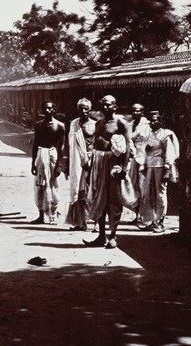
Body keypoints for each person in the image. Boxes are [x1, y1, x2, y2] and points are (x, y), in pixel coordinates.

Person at [84, 95, 132, 249]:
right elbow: (95, 146)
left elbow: (128, 149)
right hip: (98, 164)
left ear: (115, 107)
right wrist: (91, 168)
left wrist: (123, 169)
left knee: (114, 200)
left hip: (113, 165)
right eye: (103, 105)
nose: (105, 108)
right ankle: (101, 236)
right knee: (99, 199)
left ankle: (113, 236)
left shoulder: (121, 123)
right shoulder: (99, 123)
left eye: (108, 105)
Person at [139, 111, 180, 233]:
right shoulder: (148, 134)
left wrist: (167, 169)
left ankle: (160, 222)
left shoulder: (166, 134)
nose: (152, 123)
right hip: (149, 166)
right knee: (148, 193)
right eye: (150, 120)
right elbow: (143, 150)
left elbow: (170, 152)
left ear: (160, 121)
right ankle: (150, 220)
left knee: (160, 194)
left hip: (160, 166)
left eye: (155, 120)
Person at [31, 101, 66, 225]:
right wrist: (33, 163)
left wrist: (59, 165)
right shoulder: (39, 125)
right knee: (40, 185)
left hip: (52, 156)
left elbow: (61, 146)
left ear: (54, 109)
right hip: (41, 156)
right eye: (45, 108)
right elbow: (35, 144)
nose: (47, 111)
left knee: (52, 186)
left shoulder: (59, 126)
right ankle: (41, 215)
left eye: (50, 108)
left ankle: (53, 215)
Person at [64, 98, 96, 231]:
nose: (83, 111)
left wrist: (92, 160)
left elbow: (98, 144)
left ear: (90, 109)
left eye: (86, 108)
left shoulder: (95, 124)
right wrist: (67, 164)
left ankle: (96, 223)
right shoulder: (74, 124)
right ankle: (80, 222)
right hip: (77, 161)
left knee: (92, 191)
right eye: (81, 108)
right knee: (79, 191)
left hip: (92, 160)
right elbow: (69, 145)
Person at [127, 103, 151, 223]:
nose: (135, 113)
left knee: (143, 187)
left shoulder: (147, 125)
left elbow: (149, 143)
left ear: (142, 112)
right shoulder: (129, 125)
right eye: (133, 111)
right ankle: (136, 215)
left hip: (144, 158)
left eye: (138, 111)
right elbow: (128, 140)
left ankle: (145, 216)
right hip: (132, 159)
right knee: (133, 186)